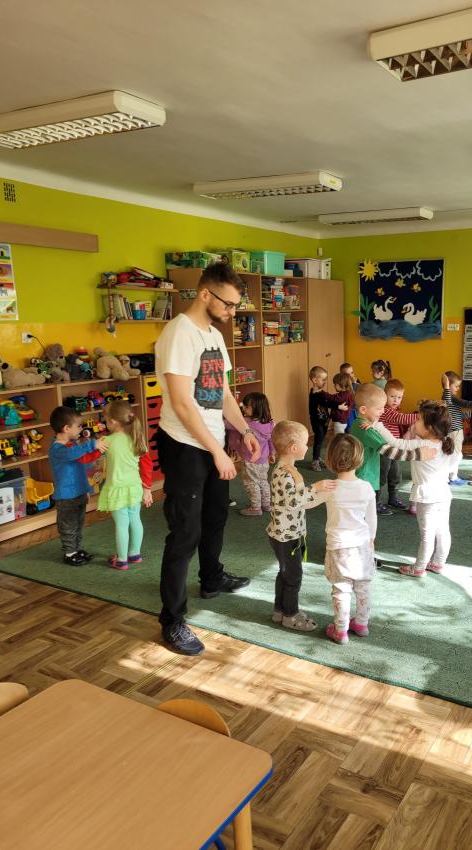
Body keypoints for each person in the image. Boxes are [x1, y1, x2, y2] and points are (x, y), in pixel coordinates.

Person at [154, 261, 261, 656]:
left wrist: (244, 430)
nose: (232, 312)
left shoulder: (214, 335)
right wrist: (217, 452)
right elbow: (182, 404)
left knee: (216, 517)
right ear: (204, 294)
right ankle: (173, 619)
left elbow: (224, 394)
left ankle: (212, 578)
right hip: (184, 445)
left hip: (213, 443)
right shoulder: (178, 334)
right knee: (185, 532)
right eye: (228, 304)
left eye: (235, 306)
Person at [267, 421, 337, 631]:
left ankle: (279, 611)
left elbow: (296, 496)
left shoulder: (286, 469)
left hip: (285, 533)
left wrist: (307, 485)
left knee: (285, 573)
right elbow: (294, 501)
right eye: (305, 443)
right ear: (293, 447)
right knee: (293, 577)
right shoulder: (285, 473)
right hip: (286, 537)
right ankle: (290, 615)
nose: (308, 447)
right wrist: (316, 487)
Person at [323, 434, 377, 645]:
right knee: (363, 587)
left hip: (339, 547)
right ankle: (361, 624)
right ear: (359, 459)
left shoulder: (329, 488)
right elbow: (371, 517)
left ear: (330, 459)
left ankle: (341, 630)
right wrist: (371, 539)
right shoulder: (366, 487)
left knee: (341, 589)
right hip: (362, 545)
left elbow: (306, 502)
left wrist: (314, 487)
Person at [350, 384, 437, 504]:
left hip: (365, 472)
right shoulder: (366, 429)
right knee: (364, 506)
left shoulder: (358, 423)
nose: (382, 411)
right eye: (379, 409)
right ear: (363, 410)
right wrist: (418, 455)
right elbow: (389, 451)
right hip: (366, 475)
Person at [398, 401, 455, 577]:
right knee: (442, 530)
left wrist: (377, 427)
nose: (414, 422)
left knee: (427, 535)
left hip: (427, 496)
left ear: (429, 427)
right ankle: (438, 563)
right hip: (443, 494)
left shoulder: (419, 445)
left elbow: (395, 443)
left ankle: (419, 568)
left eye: (418, 419)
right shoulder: (445, 443)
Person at [98, 400, 153, 570]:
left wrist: (92, 445)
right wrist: (147, 488)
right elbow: (147, 465)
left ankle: (121, 560)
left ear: (113, 421)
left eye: (106, 421)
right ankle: (134, 554)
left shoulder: (106, 440)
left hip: (117, 490)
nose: (106, 424)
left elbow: (88, 457)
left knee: (121, 524)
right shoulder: (136, 439)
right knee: (135, 519)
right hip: (135, 488)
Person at [49, 406, 107, 566]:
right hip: (66, 497)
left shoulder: (73, 445)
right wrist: (92, 445)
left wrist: (86, 489)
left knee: (78, 525)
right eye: (79, 426)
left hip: (79, 493)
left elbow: (83, 465)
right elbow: (73, 454)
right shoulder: (57, 449)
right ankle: (69, 553)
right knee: (68, 526)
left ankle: (76, 549)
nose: (81, 429)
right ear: (66, 428)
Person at [226, 391, 275, 515]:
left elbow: (228, 424)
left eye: (246, 407)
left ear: (256, 408)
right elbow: (271, 440)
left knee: (251, 483)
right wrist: (272, 453)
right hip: (264, 459)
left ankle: (256, 508)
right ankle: (266, 505)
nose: (243, 408)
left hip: (250, 460)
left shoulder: (246, 423)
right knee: (263, 481)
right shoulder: (269, 423)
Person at [376, 377, 418, 514]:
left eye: (399, 397)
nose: (396, 400)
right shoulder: (385, 410)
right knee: (381, 476)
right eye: (392, 396)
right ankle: (375, 502)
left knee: (395, 475)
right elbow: (402, 419)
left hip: (394, 450)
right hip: (384, 450)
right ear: (384, 396)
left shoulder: (394, 410)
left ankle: (392, 498)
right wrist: (421, 416)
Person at [441, 370, 467, 485]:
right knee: (456, 454)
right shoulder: (447, 397)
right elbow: (446, 399)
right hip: (454, 431)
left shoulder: (453, 399)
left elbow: (458, 414)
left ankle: (452, 476)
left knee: (454, 453)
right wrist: (446, 386)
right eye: (456, 386)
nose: (458, 388)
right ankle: (447, 476)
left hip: (456, 431)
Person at [308, 365, 330, 471]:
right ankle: (315, 460)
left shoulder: (321, 393)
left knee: (321, 440)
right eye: (323, 379)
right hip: (317, 421)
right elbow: (327, 403)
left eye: (326, 379)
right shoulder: (315, 394)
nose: (325, 382)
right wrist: (337, 405)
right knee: (318, 439)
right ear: (315, 380)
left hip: (324, 420)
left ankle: (318, 457)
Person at [340, 362, 359, 431]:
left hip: (356, 411)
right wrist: (354, 384)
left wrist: (355, 384)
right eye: (348, 374)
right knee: (349, 429)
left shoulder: (356, 383)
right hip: (348, 412)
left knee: (356, 428)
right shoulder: (343, 385)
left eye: (352, 372)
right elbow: (351, 395)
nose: (351, 376)